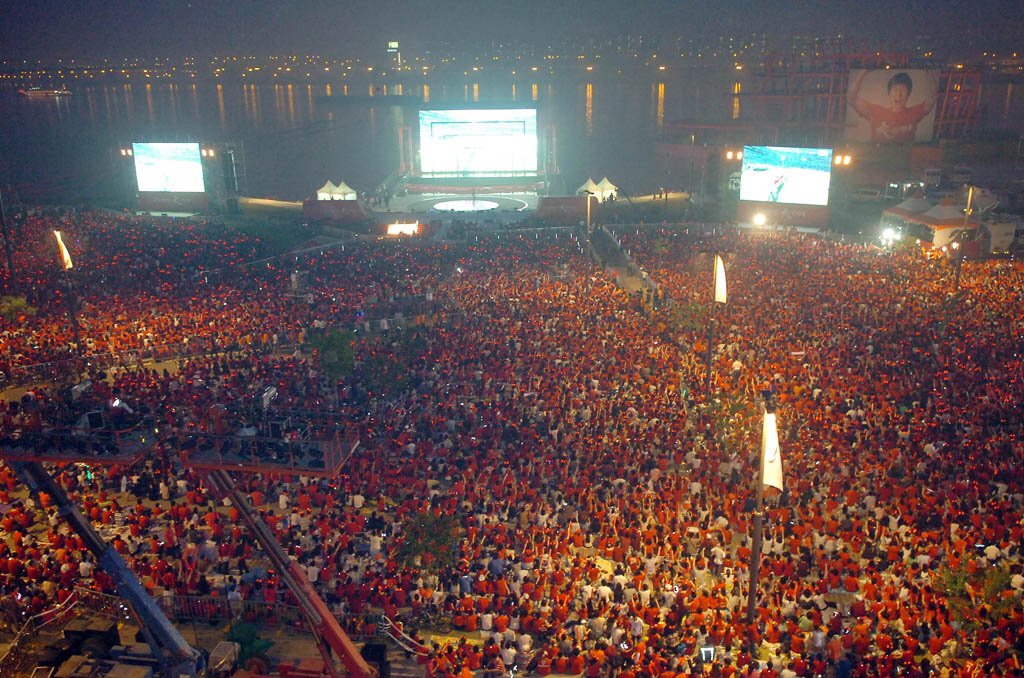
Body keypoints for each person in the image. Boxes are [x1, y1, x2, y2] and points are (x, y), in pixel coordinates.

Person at [848, 70, 937, 142]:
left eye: (902, 90)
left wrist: (928, 71)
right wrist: (863, 72)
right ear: (889, 94)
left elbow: (932, 97)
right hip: (876, 157)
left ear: (908, 94)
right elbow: (851, 98)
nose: (898, 95)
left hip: (904, 159)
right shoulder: (875, 111)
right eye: (895, 90)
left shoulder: (915, 112)